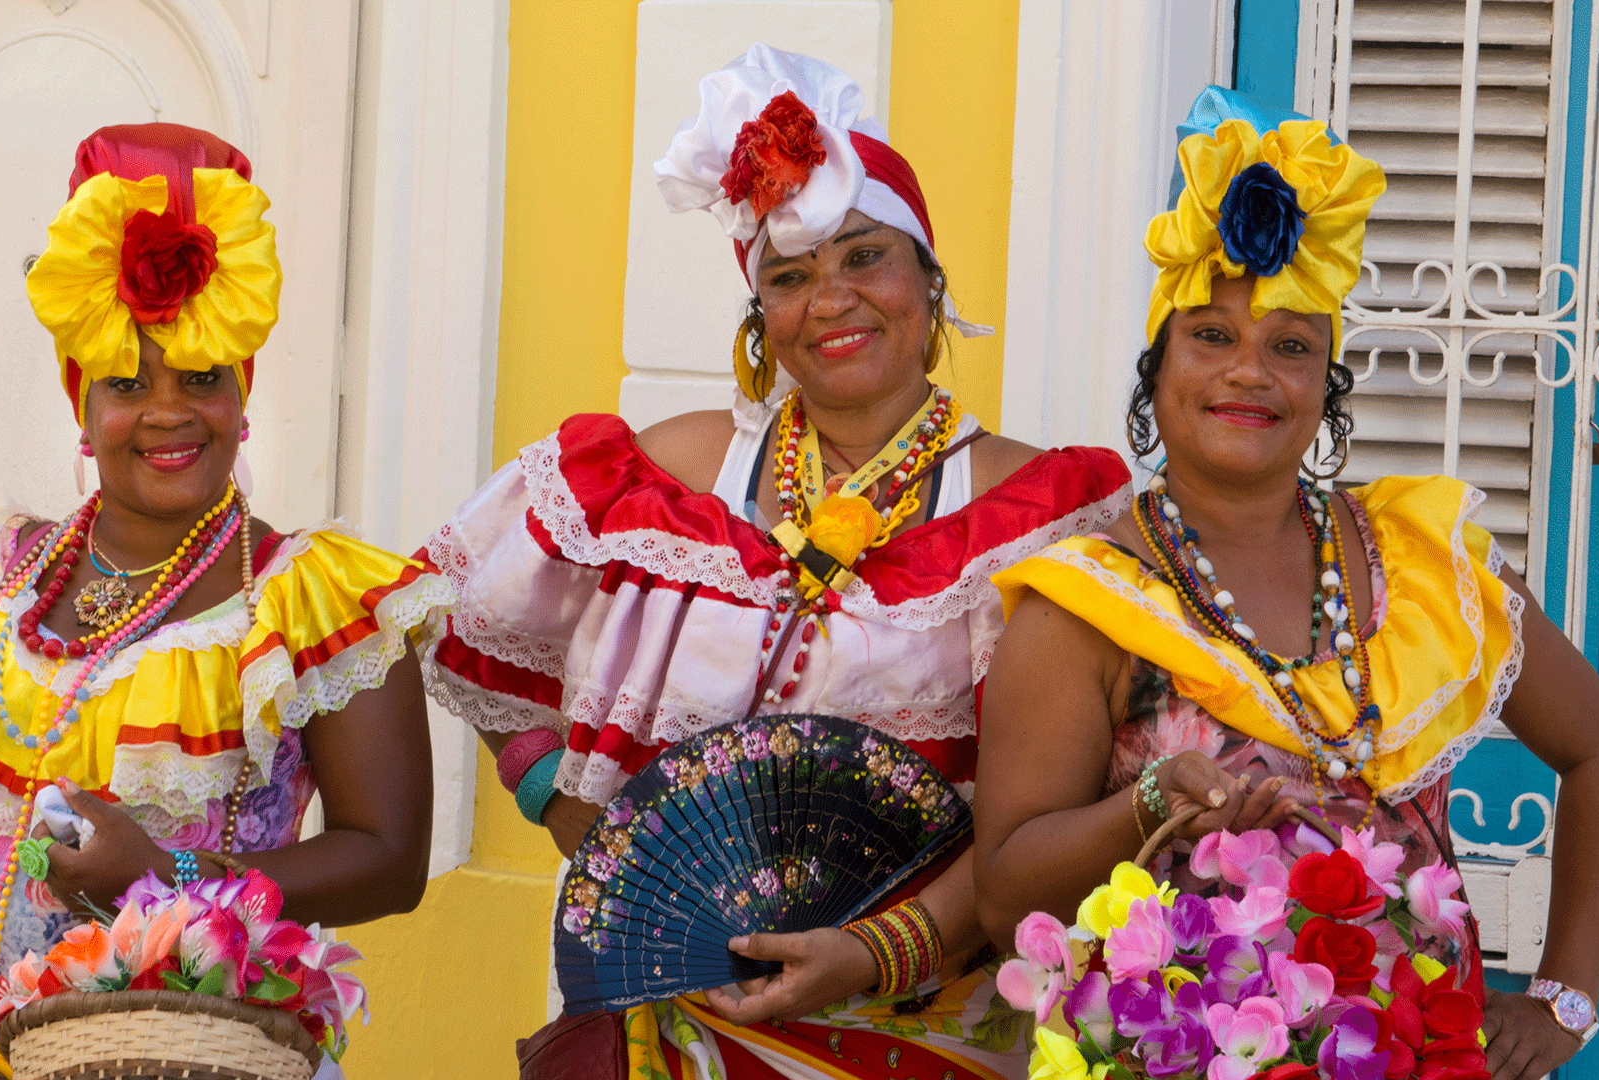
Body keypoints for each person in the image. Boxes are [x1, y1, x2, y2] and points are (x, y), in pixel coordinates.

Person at [418, 44, 1130, 1080]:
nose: (831, 299)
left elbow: (1054, 816)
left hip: (929, 1030)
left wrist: (872, 954)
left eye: (864, 257)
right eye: (791, 277)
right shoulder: (667, 471)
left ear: (930, 287)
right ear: (764, 322)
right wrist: (553, 796)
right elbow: (461, 619)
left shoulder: (1043, 514)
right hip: (669, 1019)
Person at [973, 87, 1599, 1080]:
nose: (1251, 371)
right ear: (1156, 370)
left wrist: (1565, 998)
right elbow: (1003, 899)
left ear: (1325, 383)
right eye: (1211, 336)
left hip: (1432, 1058)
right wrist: (1150, 800)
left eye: (1291, 346)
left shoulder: (1421, 564)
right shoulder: (1089, 602)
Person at [0, 124, 446, 1080]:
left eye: (202, 378)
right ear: (82, 401)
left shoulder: (309, 601)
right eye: (127, 382)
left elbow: (390, 861)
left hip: (206, 1054)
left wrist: (170, 880)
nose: (168, 412)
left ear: (242, 392)